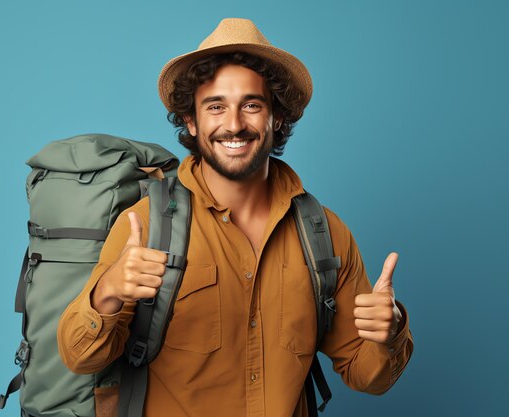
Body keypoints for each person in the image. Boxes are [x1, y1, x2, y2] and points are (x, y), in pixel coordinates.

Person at [57, 17, 413, 417]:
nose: (234, 124)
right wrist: (109, 291)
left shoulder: (325, 233)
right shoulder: (147, 225)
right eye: (215, 106)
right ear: (191, 120)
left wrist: (390, 333)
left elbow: (369, 377)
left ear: (276, 117)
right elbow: (78, 357)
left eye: (251, 105)